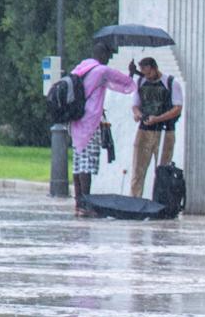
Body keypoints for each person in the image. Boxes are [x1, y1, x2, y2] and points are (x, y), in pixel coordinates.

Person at [67, 38, 136, 218]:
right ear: (103, 55)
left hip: (75, 121)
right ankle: (86, 205)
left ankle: (78, 204)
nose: (109, 58)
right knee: (87, 165)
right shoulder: (102, 71)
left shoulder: (81, 67)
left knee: (78, 163)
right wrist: (131, 74)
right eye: (108, 55)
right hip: (90, 122)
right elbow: (123, 82)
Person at [128, 57, 183, 198]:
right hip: (144, 130)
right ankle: (135, 199)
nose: (147, 76)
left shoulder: (171, 83)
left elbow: (177, 108)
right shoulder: (140, 82)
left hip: (165, 131)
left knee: (163, 170)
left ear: (155, 68)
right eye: (143, 73)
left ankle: (161, 201)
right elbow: (135, 105)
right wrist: (138, 114)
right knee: (138, 170)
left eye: (148, 73)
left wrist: (158, 118)